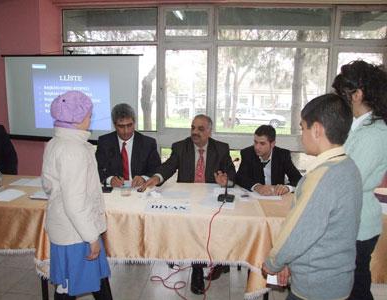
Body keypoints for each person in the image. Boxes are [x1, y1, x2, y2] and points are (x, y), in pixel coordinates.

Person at [262, 94, 362, 300]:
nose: (301, 135)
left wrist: (273, 262)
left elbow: (298, 231)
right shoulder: (348, 166)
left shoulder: (322, 176)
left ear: (316, 130)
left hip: (315, 284)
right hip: (337, 279)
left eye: (302, 128)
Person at [139, 114, 236, 295]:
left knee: (218, 223)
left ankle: (219, 258)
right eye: (192, 128)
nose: (195, 132)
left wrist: (226, 180)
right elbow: (168, 167)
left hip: (209, 198)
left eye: (200, 129)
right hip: (187, 199)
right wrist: (155, 178)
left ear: (209, 131)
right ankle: (197, 270)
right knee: (194, 227)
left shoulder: (221, 149)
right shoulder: (180, 147)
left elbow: (231, 172)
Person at [41, 91, 112, 300]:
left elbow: (47, 185)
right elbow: (74, 202)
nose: (90, 118)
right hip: (77, 232)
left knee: (97, 280)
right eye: (89, 114)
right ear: (78, 118)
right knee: (68, 288)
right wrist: (92, 238)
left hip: (73, 227)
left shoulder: (56, 142)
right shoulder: (74, 150)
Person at [332, 60, 387, 300]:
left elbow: (351, 178)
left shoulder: (376, 132)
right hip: (349, 218)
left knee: (357, 287)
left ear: (357, 94)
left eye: (342, 94)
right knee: (349, 283)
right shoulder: (358, 127)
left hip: (359, 223)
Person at [96, 103, 161, 188]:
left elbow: (157, 169)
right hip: (115, 191)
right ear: (115, 125)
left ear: (134, 123)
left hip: (140, 190)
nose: (126, 131)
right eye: (121, 126)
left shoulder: (148, 143)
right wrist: (110, 179)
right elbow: (97, 169)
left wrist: (143, 178)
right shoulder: (104, 142)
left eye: (129, 125)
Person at [236, 125, 301, 195]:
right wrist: (257, 187)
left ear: (272, 144)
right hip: (255, 197)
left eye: (262, 143)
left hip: (277, 197)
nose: (257, 147)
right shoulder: (247, 153)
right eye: (255, 142)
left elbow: (298, 179)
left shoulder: (282, 155)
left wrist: (287, 187)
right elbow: (240, 177)